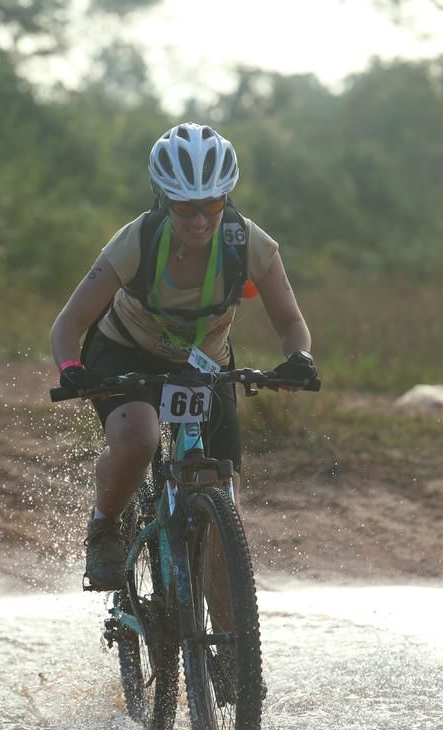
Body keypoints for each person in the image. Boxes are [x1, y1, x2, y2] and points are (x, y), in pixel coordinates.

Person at [50, 122, 317, 591]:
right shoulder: (137, 240)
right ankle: (105, 526)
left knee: (227, 508)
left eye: (211, 206)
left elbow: (291, 323)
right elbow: (67, 326)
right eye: (184, 207)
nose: (199, 220)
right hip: (125, 351)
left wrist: (299, 357)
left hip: (203, 366)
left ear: (226, 199)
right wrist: (72, 370)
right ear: (163, 200)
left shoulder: (246, 241)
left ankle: (230, 637)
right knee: (140, 438)